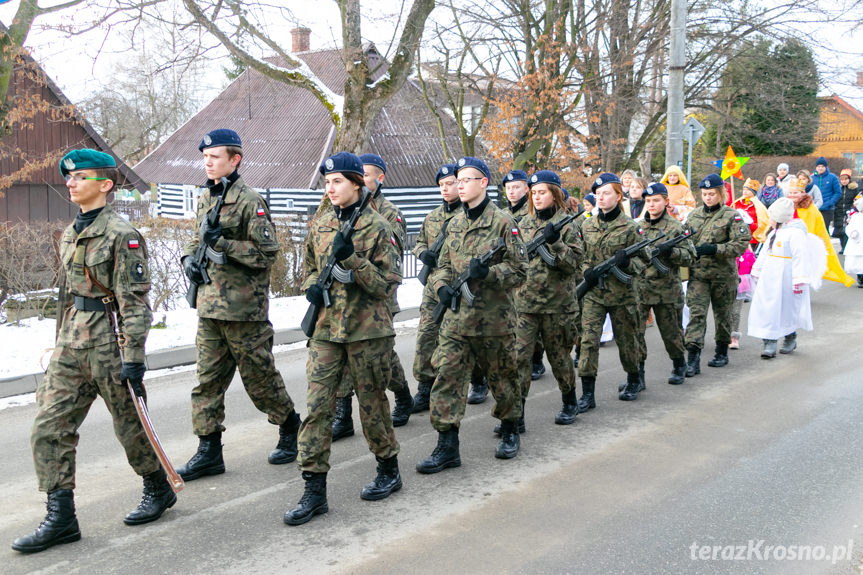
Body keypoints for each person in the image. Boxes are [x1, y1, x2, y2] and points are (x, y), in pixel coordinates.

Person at [13, 150, 175, 554]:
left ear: (105, 184)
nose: (71, 182)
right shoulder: (72, 231)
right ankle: (61, 517)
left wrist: (134, 357)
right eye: (69, 177)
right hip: (73, 341)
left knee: (130, 426)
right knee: (48, 426)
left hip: (110, 339)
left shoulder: (123, 234)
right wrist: (59, 341)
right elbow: (69, 293)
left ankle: (158, 488)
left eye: (80, 177)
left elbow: (134, 301)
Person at [285, 152, 403, 525]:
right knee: (318, 408)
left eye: (337, 181)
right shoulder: (320, 224)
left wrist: (353, 260)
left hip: (367, 332)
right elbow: (307, 270)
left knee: (372, 405)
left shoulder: (378, 227)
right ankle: (313, 489)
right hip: (325, 331)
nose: (330, 188)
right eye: (326, 182)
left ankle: (388, 468)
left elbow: (386, 285)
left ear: (357, 183)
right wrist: (311, 290)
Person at [176, 129, 301, 482]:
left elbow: (268, 254)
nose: (208, 162)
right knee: (206, 383)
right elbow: (194, 234)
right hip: (209, 307)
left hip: (243, 310)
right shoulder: (206, 199)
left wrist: (227, 247)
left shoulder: (250, 201)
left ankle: (290, 426)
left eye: (214, 157)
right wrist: (188, 257)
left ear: (235, 160)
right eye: (205, 157)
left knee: (259, 378)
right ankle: (209, 451)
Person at [416, 156, 527, 473]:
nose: (460, 184)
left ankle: (509, 430)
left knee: (502, 379)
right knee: (447, 380)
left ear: (483, 183)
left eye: (467, 179)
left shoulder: (504, 223)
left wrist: (489, 274)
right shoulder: (454, 224)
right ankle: (447, 446)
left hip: (494, 322)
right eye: (457, 180)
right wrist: (440, 287)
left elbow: (520, 271)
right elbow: (442, 267)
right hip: (456, 321)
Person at [514, 170, 583, 426]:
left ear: (554, 194)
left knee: (559, 357)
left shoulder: (568, 224)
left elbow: (574, 264)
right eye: (534, 193)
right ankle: (516, 414)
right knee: (519, 359)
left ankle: (569, 401)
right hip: (525, 304)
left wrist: (556, 244)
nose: (537, 197)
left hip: (558, 305)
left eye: (542, 192)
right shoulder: (522, 224)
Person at [577, 173, 650, 409]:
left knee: (627, 341)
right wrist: (587, 271)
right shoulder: (587, 225)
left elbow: (644, 261)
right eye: (598, 194)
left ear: (619, 196)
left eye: (606, 193)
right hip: (594, 295)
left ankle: (633, 379)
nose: (601, 197)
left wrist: (627, 263)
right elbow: (580, 256)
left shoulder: (631, 227)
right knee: (587, 342)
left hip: (623, 295)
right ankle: (587, 393)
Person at [411, 164, 471, 410]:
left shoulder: (470, 216)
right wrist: (424, 254)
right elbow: (418, 243)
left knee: (465, 338)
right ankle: (425, 388)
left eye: (450, 184)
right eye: (442, 185)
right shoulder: (433, 217)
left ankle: (477, 381)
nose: (446, 189)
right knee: (426, 336)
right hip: (433, 289)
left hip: (460, 287)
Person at [682, 174, 751, 377]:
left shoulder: (732, 216)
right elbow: (684, 239)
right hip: (699, 275)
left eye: (712, 194)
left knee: (723, 316)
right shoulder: (693, 216)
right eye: (704, 194)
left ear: (721, 193)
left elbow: (741, 243)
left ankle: (721, 351)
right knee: (696, 315)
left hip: (723, 275)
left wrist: (716, 249)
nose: (708, 198)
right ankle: (693, 358)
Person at [632, 182, 696, 388]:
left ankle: (679, 365)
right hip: (639, 290)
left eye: (656, 200)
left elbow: (690, 256)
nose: (651, 204)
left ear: (666, 202)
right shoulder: (637, 227)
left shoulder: (676, 228)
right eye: (648, 201)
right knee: (635, 335)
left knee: (671, 333)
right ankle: (637, 375)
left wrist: (672, 253)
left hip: (667, 291)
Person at [748, 198, 821, 357]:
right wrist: (756, 269)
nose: (770, 220)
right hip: (770, 276)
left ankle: (790, 336)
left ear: (780, 217)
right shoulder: (773, 233)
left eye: (772, 217)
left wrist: (799, 279)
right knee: (768, 307)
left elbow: (800, 256)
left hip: (786, 276)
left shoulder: (795, 234)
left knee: (786, 308)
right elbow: (765, 253)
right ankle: (769, 340)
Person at [503, 169, 546, 381]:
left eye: (516, 187)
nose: (511, 192)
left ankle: (536, 359)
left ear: (526, 190)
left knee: (529, 323)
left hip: (533, 279)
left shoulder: (531, 216)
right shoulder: (503, 215)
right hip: (510, 279)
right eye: (508, 188)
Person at [786, 179, 856, 287]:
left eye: (795, 193)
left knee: (801, 269)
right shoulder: (786, 205)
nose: (792, 195)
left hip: (802, 242)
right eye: (790, 193)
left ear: (803, 193)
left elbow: (810, 228)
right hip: (787, 241)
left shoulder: (809, 209)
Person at [730, 178, 769, 245]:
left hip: (752, 235)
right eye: (744, 190)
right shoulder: (737, 202)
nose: (745, 192)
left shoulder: (758, 206)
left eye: (748, 190)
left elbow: (762, 221)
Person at [811, 157, 841, 231]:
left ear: (826, 167)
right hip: (814, 208)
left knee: (824, 229)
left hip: (827, 209)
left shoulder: (832, 177)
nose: (820, 168)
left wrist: (830, 203)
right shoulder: (812, 178)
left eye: (822, 166)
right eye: (818, 166)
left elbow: (837, 192)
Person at [834, 168, 859, 252]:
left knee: (847, 230)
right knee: (840, 230)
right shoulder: (838, 189)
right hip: (839, 211)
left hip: (849, 211)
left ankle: (846, 247)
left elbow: (856, 199)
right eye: (842, 180)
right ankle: (843, 247)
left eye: (846, 179)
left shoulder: (853, 189)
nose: (844, 181)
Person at [843, 195, 863, 287]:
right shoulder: (855, 217)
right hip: (857, 243)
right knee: (858, 262)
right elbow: (849, 227)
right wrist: (852, 233)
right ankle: (860, 277)